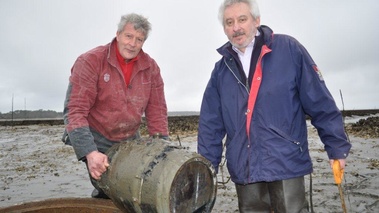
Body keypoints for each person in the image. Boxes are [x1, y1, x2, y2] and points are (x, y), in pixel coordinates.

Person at [197, 0, 352, 212]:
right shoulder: (221, 70)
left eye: (242, 19)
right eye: (229, 22)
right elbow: (210, 124)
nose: (236, 27)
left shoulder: (289, 49)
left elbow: (319, 100)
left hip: (285, 162)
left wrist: (336, 146)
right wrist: (206, 169)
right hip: (245, 168)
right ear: (224, 28)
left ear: (256, 20)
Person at [62, 13, 169, 199]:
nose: (132, 44)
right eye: (128, 36)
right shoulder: (90, 61)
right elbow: (75, 111)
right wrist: (90, 152)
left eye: (139, 40)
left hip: (129, 136)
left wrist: (162, 146)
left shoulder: (151, 68)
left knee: (136, 187)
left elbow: (157, 111)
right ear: (118, 34)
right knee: (108, 186)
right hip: (97, 135)